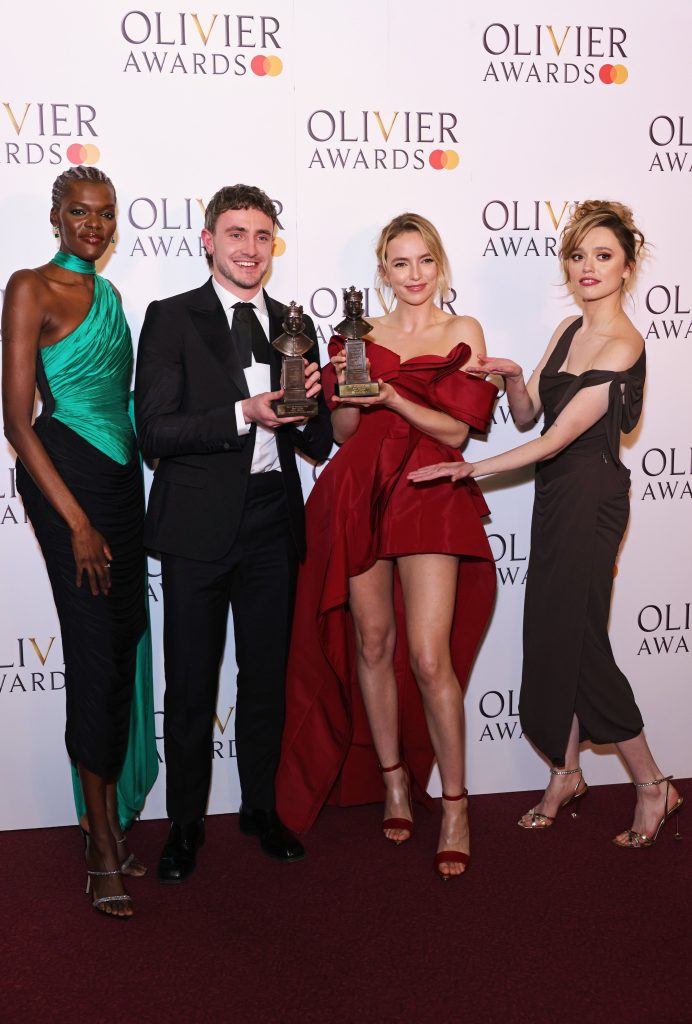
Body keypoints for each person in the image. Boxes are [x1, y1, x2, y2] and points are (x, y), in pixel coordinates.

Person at [410, 200, 684, 848]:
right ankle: (566, 772)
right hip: (555, 499)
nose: (587, 267)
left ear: (627, 266)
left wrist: (468, 471)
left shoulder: (624, 343)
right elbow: (531, 413)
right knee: (553, 634)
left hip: (591, 498)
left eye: (603, 256)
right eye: (578, 255)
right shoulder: (567, 330)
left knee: (582, 639)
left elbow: (554, 439)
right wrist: (509, 377)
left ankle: (652, 784)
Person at [276, 213, 498, 879]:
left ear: (440, 265)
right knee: (373, 642)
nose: (414, 275)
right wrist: (345, 384)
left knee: (430, 659)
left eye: (424, 260)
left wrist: (393, 397)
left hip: (428, 490)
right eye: (400, 264)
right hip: (360, 490)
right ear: (382, 272)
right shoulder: (361, 335)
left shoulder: (463, 331)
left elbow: (458, 435)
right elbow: (345, 430)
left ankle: (454, 804)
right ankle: (394, 779)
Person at [134, 184, 333, 881]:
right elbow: (153, 430)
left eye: (262, 235)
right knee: (189, 686)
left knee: (265, 682)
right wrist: (244, 412)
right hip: (197, 528)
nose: (250, 247)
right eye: (236, 233)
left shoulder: (293, 323)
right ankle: (184, 824)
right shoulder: (170, 318)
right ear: (208, 241)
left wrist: (316, 398)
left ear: (274, 244)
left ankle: (259, 809)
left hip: (271, 525)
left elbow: (317, 441)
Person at [2, 166, 149, 917]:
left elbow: (123, 403)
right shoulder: (29, 286)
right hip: (68, 488)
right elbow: (18, 421)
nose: (93, 225)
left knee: (121, 645)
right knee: (94, 650)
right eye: (80, 212)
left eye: (105, 214)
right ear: (57, 216)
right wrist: (79, 523)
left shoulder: (114, 296)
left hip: (122, 486)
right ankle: (97, 842)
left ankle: (109, 816)